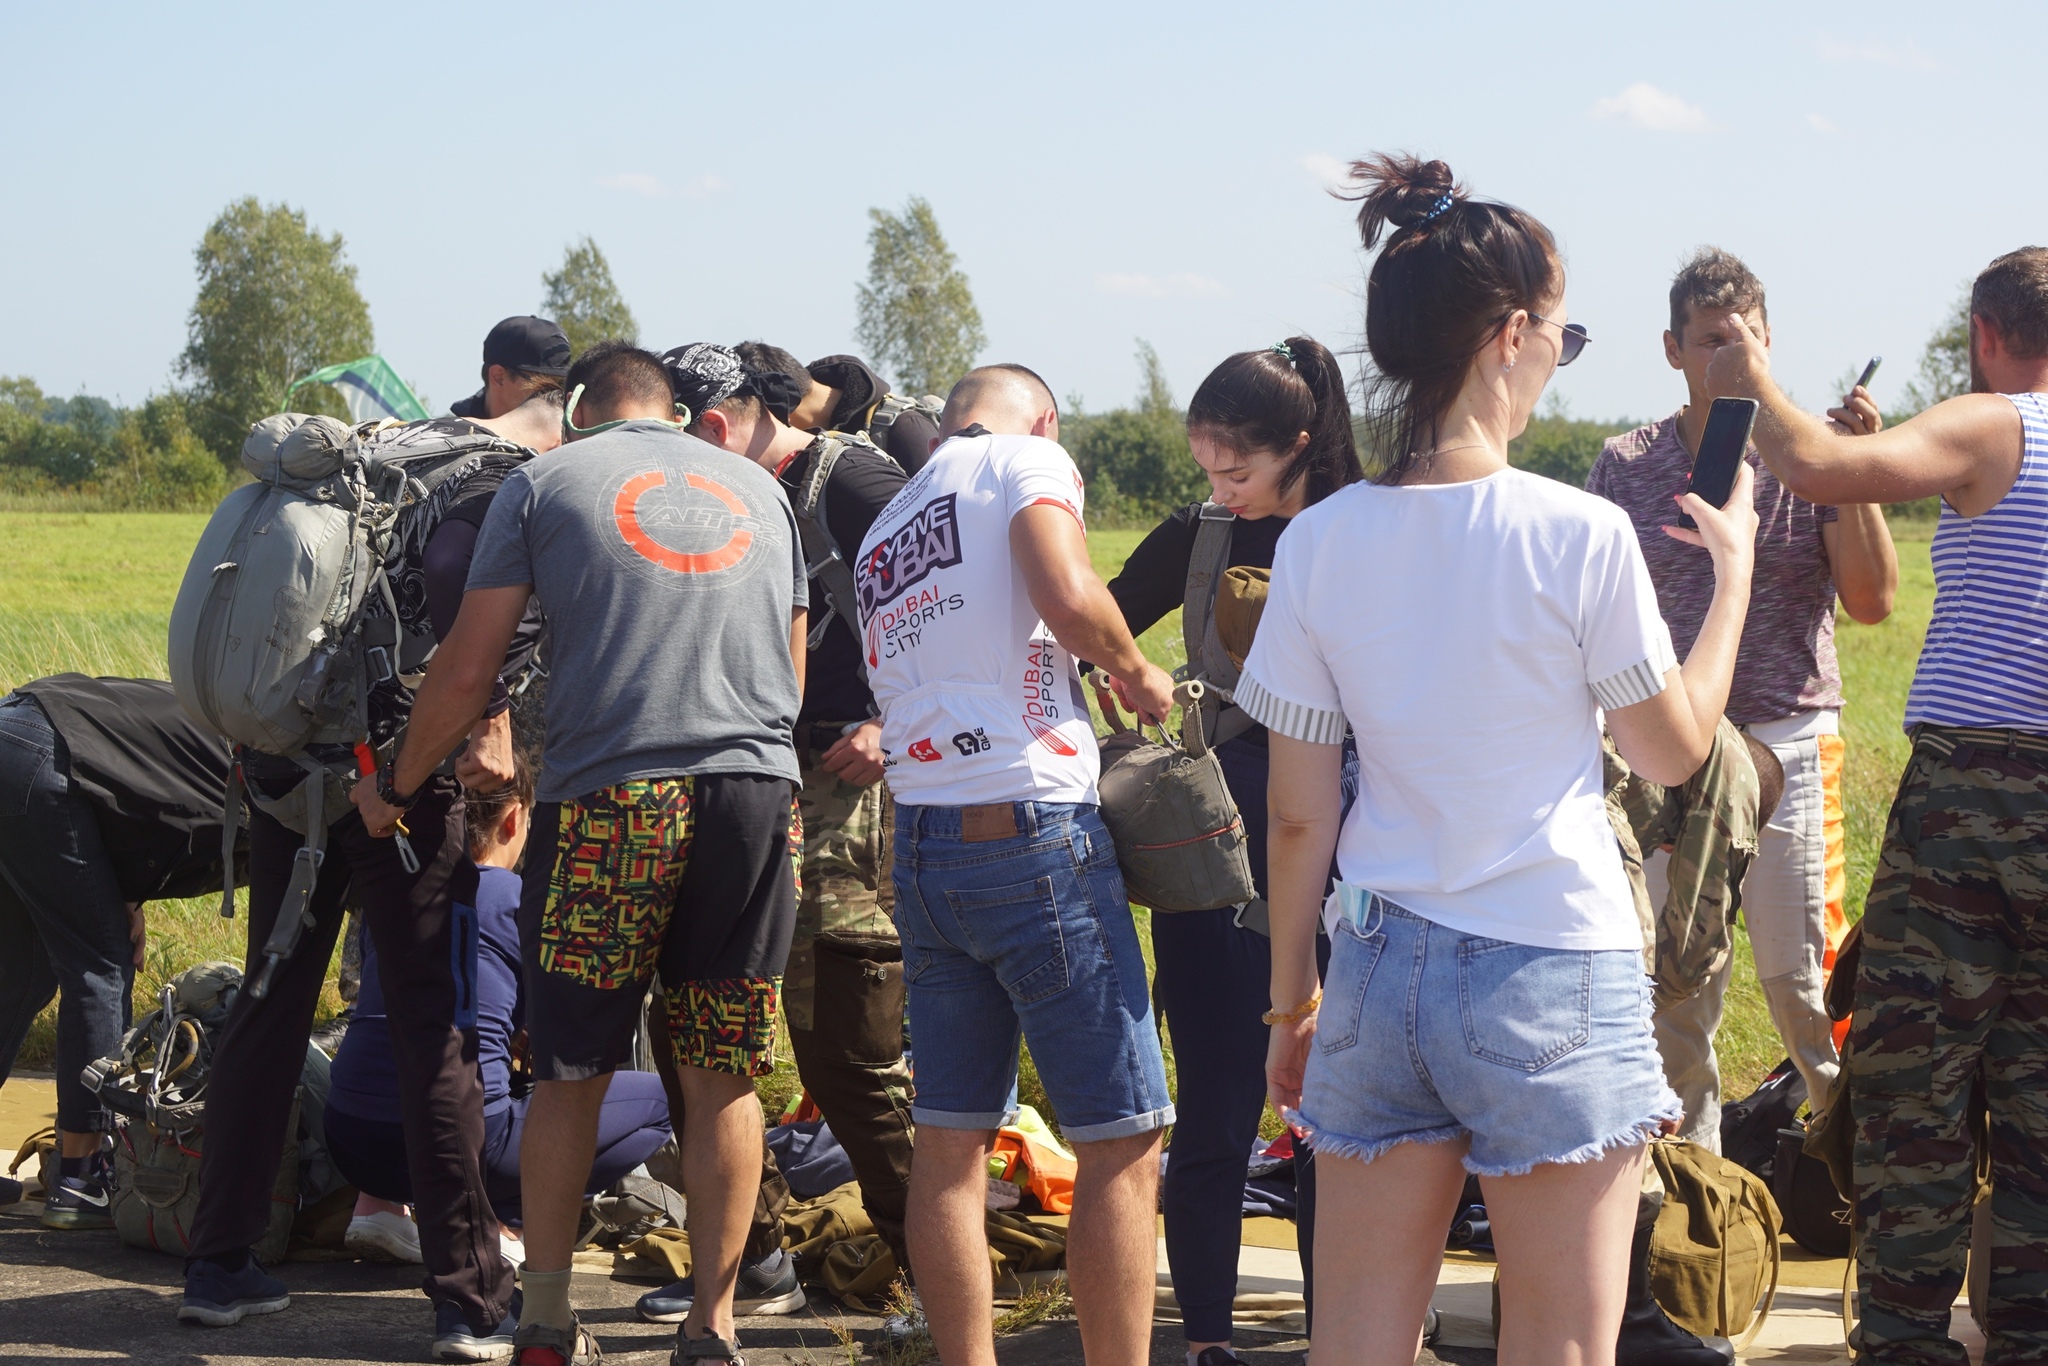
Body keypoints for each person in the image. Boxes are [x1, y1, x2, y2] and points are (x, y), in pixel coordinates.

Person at [1254, 155, 1756, 1364]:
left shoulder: (1318, 541)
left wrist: (1290, 1004)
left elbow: (1293, 818)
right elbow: (1673, 751)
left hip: (1374, 970)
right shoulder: (1574, 531)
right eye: (1560, 337)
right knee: (1558, 1347)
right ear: (1511, 334)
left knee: (1356, 1345)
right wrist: (1730, 572)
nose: (1553, 360)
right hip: (1550, 963)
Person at [354, 341, 808, 1366]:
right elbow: (790, 663)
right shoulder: (756, 489)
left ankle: (548, 1325)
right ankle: (714, 1324)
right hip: (752, 796)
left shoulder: (543, 479)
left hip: (614, 799)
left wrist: (395, 783)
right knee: (722, 1069)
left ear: (579, 411)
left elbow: (469, 665)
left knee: (570, 1069)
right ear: (673, 411)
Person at [1703, 245, 2048, 1366]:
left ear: (1984, 336)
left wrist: (1748, 366)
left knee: (1915, 1074)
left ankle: (1904, 1334)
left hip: (1976, 795)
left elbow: (1809, 465)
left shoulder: (1996, 423)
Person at [178, 391, 563, 1362]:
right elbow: (459, 610)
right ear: (556, 419)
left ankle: (219, 1264)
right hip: (395, 783)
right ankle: (469, 1299)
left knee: (271, 998)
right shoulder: (494, 482)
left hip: (282, 774)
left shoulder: (381, 462)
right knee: (431, 1027)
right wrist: (484, 728)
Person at [856, 362, 1177, 1366]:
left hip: (922, 841)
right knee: (1119, 1139)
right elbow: (1066, 588)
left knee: (949, 1142)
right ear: (1041, 416)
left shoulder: (883, 525)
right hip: (1027, 828)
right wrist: (1131, 669)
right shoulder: (1024, 458)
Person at [623, 342, 914, 1323]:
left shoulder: (857, 479)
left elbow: (967, 598)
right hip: (741, 785)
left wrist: (896, 720)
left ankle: (933, 1277)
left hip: (842, 782)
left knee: (845, 1043)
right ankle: (751, 1255)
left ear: (725, 420)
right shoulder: (712, 496)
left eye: (700, 436)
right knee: (694, 1026)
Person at [1587, 248, 1898, 1145]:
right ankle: (1702, 1211)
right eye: (1710, 339)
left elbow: (1874, 601)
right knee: (1679, 994)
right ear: (1672, 350)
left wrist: (1857, 466)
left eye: (1746, 338)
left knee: (1803, 985)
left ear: (1771, 343)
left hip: (1787, 736)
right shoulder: (1629, 462)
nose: (1729, 355)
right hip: (1670, 746)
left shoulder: (1809, 458)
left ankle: (1861, 1176)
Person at [1100, 336, 1362, 1365]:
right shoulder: (1199, 534)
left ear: (1302, 446)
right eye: (1206, 468)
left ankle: (1342, 1328)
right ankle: (1205, 1335)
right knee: (1213, 1097)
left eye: (1237, 469)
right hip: (1215, 857)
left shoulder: (1368, 530)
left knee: (1340, 1119)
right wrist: (1132, 676)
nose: (1219, 488)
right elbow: (1096, 619)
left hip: (1358, 861)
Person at [326, 749, 673, 1264]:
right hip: (461, 1150)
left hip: (353, 1141)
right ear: (514, 819)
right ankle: (505, 1223)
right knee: (663, 1102)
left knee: (411, 1056)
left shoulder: (397, 891)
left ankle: (377, 1208)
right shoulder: (518, 897)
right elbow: (562, 1033)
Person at [0, 675, 243, 1223]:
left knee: (21, 972)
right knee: (101, 966)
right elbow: (179, 820)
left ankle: (78, 1168)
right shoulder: (265, 777)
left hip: (16, 737)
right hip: (48, 760)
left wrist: (127, 893)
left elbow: (137, 798)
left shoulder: (227, 720)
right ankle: (82, 1175)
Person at [450, 316, 573, 419]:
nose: (556, 396)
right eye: (544, 387)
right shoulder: (452, 439)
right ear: (498, 377)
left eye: (561, 384)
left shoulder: (570, 438)